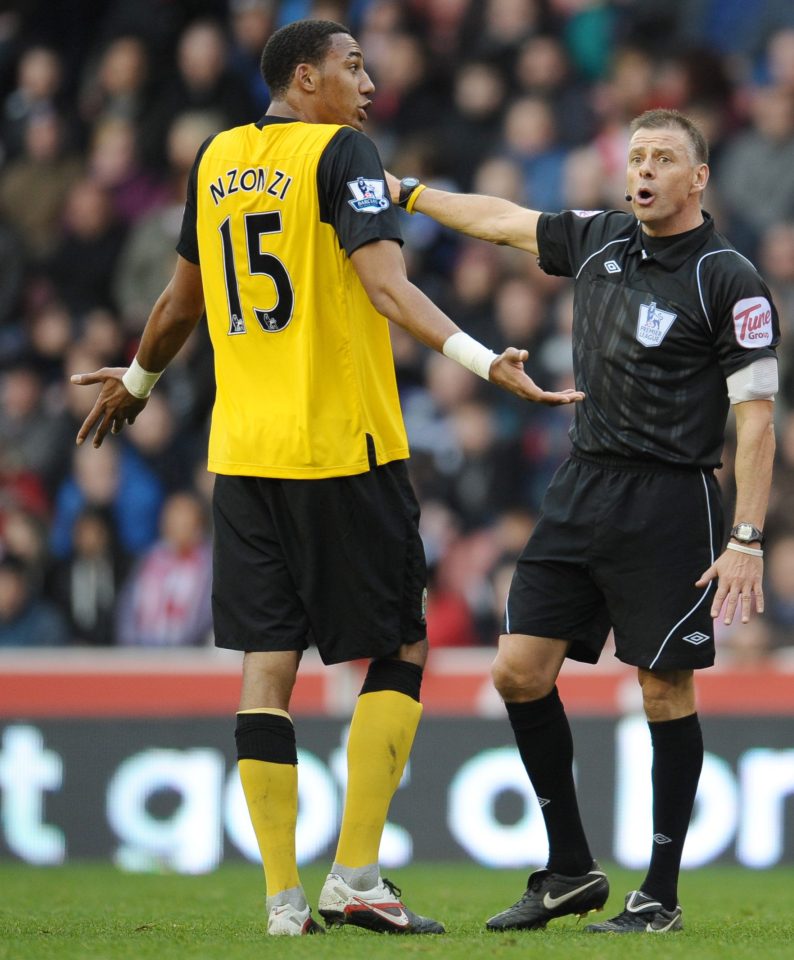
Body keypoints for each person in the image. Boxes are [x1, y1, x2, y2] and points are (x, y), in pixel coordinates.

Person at [69, 19, 581, 938]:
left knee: (267, 672)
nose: (370, 81)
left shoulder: (219, 157)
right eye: (352, 65)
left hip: (244, 455)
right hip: (343, 448)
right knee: (401, 649)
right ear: (305, 78)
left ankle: (281, 900)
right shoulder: (343, 152)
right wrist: (480, 360)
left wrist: (139, 378)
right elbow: (384, 284)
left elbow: (181, 300)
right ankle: (356, 874)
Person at [388, 107, 779, 934]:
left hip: (672, 498)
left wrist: (746, 538)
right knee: (518, 671)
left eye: (664, 158)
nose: (643, 170)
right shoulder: (600, 237)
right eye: (636, 156)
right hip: (583, 484)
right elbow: (501, 222)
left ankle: (660, 895)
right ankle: (569, 869)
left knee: (662, 687)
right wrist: (411, 195)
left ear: (698, 178)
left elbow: (756, 420)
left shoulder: (728, 277)